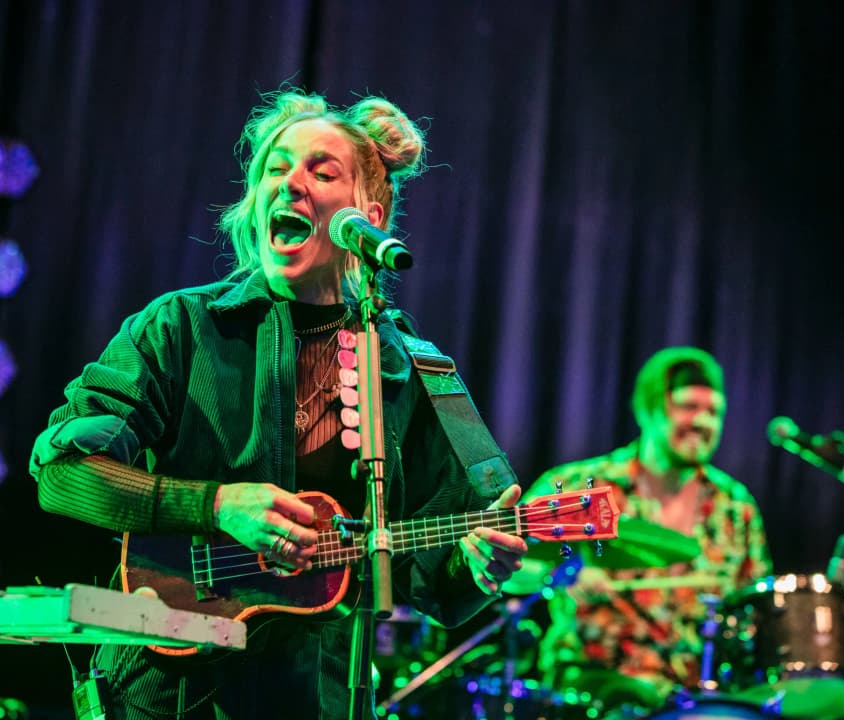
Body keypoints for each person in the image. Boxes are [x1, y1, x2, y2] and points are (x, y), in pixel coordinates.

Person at [28, 87, 528, 720]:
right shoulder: (180, 328)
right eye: (275, 167)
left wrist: (475, 566)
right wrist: (213, 504)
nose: (289, 182)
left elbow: (424, 567)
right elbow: (63, 475)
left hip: (320, 697)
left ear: (369, 216)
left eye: (322, 171)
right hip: (162, 691)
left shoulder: (409, 366)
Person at [523, 347, 771, 712]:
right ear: (648, 409)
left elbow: (756, 611)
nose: (703, 421)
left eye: (714, 412)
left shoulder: (737, 508)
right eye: (688, 406)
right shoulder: (578, 487)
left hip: (692, 693)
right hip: (588, 685)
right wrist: (560, 572)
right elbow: (510, 564)